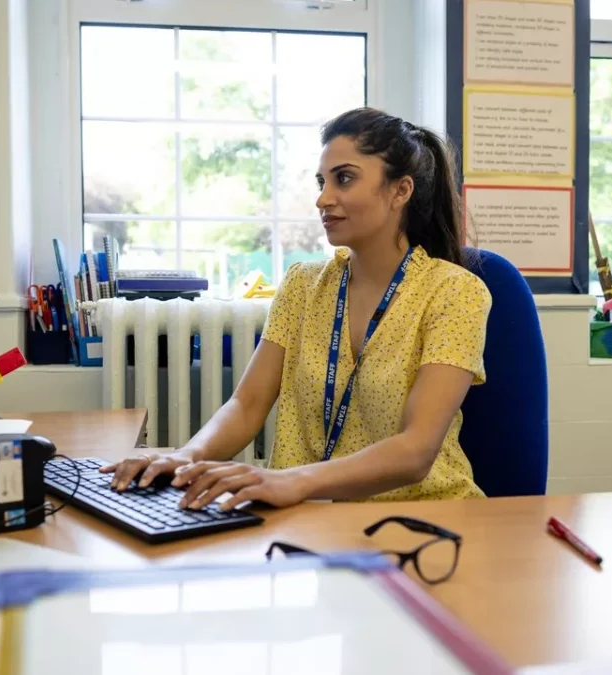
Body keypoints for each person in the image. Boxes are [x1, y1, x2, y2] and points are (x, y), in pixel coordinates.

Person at [101, 107, 491, 510]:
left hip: (421, 520)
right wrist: (186, 457)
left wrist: (293, 480)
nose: (323, 198)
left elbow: (416, 451)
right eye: (322, 182)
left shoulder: (455, 293)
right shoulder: (303, 285)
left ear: (400, 190)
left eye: (344, 178)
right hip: (309, 517)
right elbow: (247, 405)